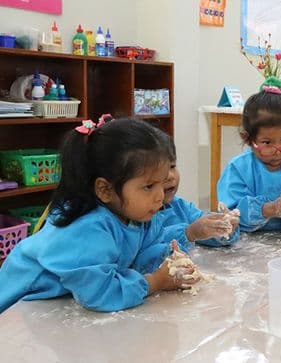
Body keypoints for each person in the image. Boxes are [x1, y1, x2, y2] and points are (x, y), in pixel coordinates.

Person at [0, 118, 199, 313]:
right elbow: (99, 294)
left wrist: (169, 259)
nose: (160, 196)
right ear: (105, 190)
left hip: (62, 299)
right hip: (20, 303)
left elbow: (141, 253)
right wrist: (156, 282)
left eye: (161, 183)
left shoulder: (135, 213)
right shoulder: (88, 227)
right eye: (148, 186)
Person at [217, 76, 281, 232]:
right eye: (267, 142)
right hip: (247, 243)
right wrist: (269, 209)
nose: (277, 150)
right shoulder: (238, 168)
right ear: (248, 139)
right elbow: (231, 212)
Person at [158, 133, 240, 247]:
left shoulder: (180, 207)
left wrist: (223, 227)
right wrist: (189, 233)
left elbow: (203, 228)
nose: (170, 176)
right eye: (160, 171)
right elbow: (149, 246)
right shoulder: (136, 220)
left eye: (172, 166)